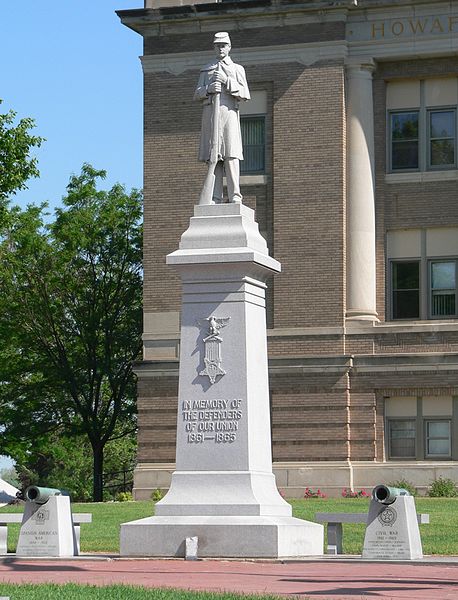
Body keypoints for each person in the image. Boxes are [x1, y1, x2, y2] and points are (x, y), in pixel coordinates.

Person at [194, 32, 250, 204]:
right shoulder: (207, 69)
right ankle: (215, 196)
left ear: (229, 47)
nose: (221, 48)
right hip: (211, 113)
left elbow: (245, 94)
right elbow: (197, 93)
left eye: (224, 45)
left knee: (231, 155)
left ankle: (235, 195)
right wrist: (209, 88)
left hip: (229, 112)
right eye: (218, 45)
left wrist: (227, 81)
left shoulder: (237, 69)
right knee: (214, 156)